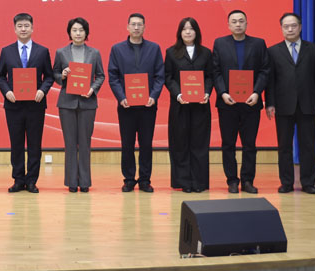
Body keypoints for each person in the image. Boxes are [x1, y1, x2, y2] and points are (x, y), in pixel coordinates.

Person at [265, 12, 315, 194]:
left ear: (300, 27)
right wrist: (270, 103)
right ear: (281, 29)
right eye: (286, 26)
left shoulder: (314, 49)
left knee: (308, 145)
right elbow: (270, 80)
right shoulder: (273, 51)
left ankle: (308, 182)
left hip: (308, 104)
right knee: (284, 146)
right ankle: (286, 182)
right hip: (283, 105)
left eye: (293, 25)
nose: (290, 29)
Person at [211, 9, 270, 194]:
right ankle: (232, 180)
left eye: (241, 21)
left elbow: (265, 70)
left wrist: (257, 92)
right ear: (228, 25)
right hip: (227, 103)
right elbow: (215, 71)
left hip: (251, 103)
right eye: (234, 21)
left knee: (249, 144)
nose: (238, 24)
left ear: (246, 23)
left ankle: (247, 180)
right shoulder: (220, 43)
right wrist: (222, 92)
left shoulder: (258, 43)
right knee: (228, 144)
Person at [0, 13, 54, 193]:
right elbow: (0, 76)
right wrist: (7, 91)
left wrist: (42, 90)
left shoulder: (42, 51)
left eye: (26, 26)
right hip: (13, 105)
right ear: (14, 29)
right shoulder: (6, 51)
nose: (23, 29)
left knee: (35, 144)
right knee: (16, 144)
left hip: (35, 105)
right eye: (20, 26)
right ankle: (18, 179)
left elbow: (49, 76)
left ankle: (32, 181)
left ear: (32, 28)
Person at [108, 13, 164, 193]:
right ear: (127, 27)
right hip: (126, 106)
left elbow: (160, 75)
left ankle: (145, 180)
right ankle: (129, 179)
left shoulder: (154, 48)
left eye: (140, 24)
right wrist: (121, 97)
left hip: (148, 105)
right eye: (133, 24)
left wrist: (154, 96)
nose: (136, 27)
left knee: (146, 144)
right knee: (127, 144)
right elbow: (113, 76)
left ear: (144, 27)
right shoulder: (117, 49)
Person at [52, 17, 105, 193]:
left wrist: (92, 89)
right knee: (70, 143)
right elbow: (55, 74)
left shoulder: (94, 53)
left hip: (87, 102)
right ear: (69, 32)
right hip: (67, 103)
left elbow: (101, 76)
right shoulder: (61, 52)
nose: (78, 33)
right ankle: (71, 182)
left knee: (84, 143)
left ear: (86, 33)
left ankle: (85, 182)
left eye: (81, 30)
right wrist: (62, 75)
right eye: (74, 30)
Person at [164, 17, 213, 193]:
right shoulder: (171, 52)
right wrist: (178, 94)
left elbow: (210, 76)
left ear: (196, 32)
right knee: (180, 143)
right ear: (180, 32)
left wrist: (206, 92)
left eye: (191, 28)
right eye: (184, 29)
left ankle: (199, 182)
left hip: (201, 105)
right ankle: (183, 181)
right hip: (180, 106)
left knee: (199, 144)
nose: (188, 32)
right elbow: (168, 77)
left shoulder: (206, 53)